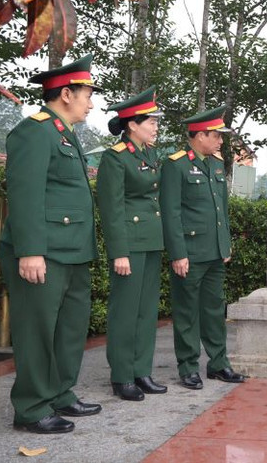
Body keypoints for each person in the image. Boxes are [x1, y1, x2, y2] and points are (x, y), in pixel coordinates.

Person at [0, 55, 102, 433]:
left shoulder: (63, 134)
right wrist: (29, 251)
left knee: (70, 329)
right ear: (64, 94)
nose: (90, 103)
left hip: (73, 251)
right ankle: (30, 408)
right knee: (37, 331)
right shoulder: (34, 131)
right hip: (43, 252)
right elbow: (25, 195)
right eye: (86, 95)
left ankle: (59, 393)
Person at [160, 105, 245, 389]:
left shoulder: (216, 165)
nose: (220, 141)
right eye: (216, 136)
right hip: (190, 252)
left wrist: (225, 245)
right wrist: (178, 253)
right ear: (199, 136)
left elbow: (221, 209)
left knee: (213, 309)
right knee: (186, 312)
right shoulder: (176, 164)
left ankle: (219, 364)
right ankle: (188, 367)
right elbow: (170, 212)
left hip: (214, 252)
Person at [97, 86, 168, 401]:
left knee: (146, 310)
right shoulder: (116, 158)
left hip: (151, 241)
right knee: (125, 311)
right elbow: (112, 210)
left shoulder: (150, 153)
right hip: (130, 244)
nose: (155, 126)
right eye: (150, 121)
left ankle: (142, 371)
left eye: (155, 121)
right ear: (132, 125)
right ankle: (122, 375)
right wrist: (119, 253)